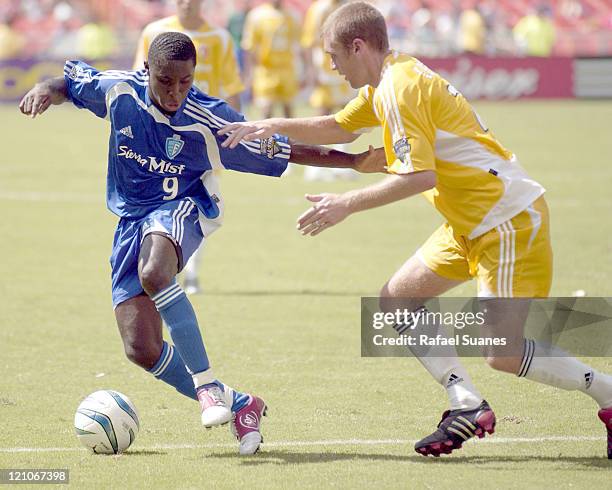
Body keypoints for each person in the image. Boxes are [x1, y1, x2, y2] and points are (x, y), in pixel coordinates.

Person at [218, 2, 612, 458]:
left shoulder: (400, 88)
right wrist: (267, 126)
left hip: (506, 220)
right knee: (397, 299)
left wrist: (345, 203)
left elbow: (420, 176)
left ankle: (606, 392)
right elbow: (340, 129)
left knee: (500, 352)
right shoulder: (390, 79)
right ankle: (465, 401)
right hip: (470, 220)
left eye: (334, 55)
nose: (330, 65)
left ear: (359, 46)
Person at [19, 32, 383, 456]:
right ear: (147, 73)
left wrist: (353, 161)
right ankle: (242, 403)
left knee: (156, 271)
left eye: (186, 82)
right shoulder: (120, 91)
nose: (175, 92)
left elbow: (285, 149)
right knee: (141, 348)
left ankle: (208, 386)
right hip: (130, 220)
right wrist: (45, 89)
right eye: (165, 81)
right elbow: (73, 85)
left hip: (185, 207)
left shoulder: (209, 118)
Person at [133, 0, 246, 295]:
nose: (186, 4)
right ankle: (153, 266)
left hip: (202, 135)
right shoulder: (154, 32)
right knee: (156, 196)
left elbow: (231, 88)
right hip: (159, 133)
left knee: (198, 202)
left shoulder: (219, 38)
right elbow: (136, 81)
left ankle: (191, 272)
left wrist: (233, 136)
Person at [300, 0, 356, 182]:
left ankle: (342, 162)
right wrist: (311, 70)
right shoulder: (319, 9)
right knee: (323, 112)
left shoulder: (348, 6)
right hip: (325, 67)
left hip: (345, 66)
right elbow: (308, 42)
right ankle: (314, 163)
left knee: (347, 112)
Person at [241, 0, 300, 119]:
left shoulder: (292, 15)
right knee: (266, 109)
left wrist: (303, 70)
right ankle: (266, 138)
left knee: (288, 110)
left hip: (287, 69)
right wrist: (249, 73)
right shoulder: (257, 15)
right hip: (265, 70)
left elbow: (298, 45)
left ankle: (291, 138)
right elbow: (249, 47)